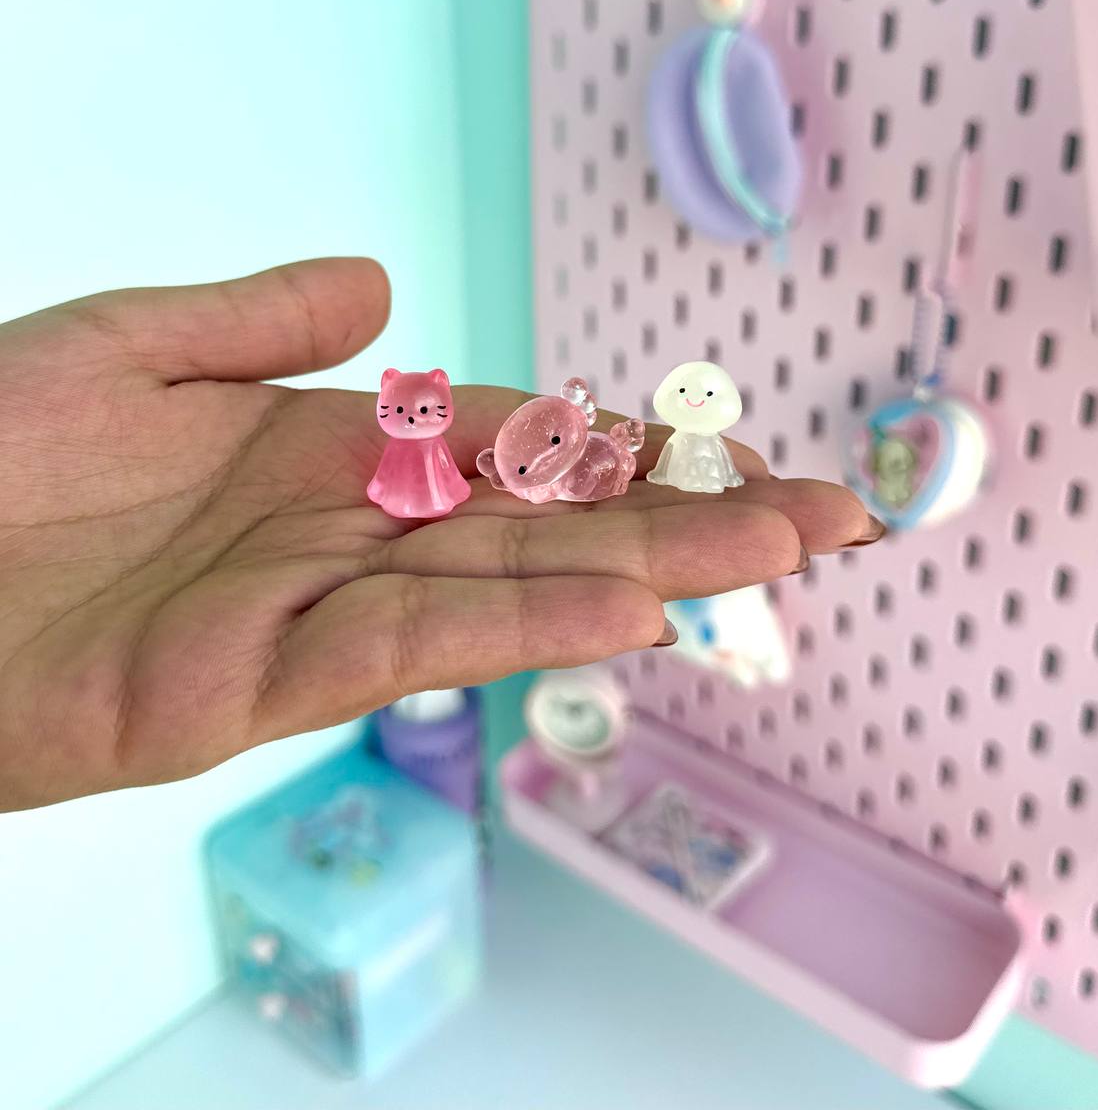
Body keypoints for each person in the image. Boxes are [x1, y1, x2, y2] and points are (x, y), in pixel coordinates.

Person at [0, 258, 883, 811]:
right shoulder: (413, 441)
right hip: (451, 478)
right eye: (408, 410)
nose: (417, 417)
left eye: (423, 411)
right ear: (396, 402)